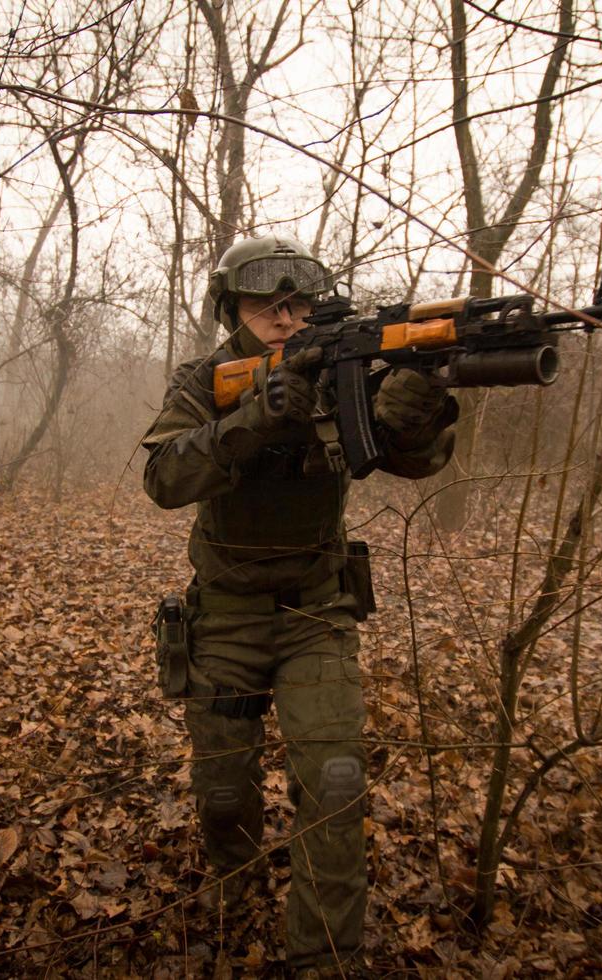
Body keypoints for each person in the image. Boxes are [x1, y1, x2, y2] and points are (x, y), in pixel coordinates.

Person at [141, 234, 457, 975]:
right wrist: (255, 417)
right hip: (225, 617)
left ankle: (323, 957)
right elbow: (162, 478)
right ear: (232, 310)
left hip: (319, 612)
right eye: (264, 304)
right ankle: (235, 885)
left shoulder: (347, 368)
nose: (284, 318)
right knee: (223, 792)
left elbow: (409, 459)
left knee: (339, 783)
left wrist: (416, 409)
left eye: (297, 304)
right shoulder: (205, 379)